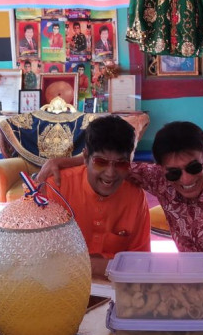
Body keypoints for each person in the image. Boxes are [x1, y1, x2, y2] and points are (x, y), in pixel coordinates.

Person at [38, 121, 203, 294]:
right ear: (161, 169)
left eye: (194, 167)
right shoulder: (160, 179)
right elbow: (112, 163)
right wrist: (62, 161)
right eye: (174, 172)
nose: (186, 179)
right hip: (188, 290)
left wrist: (193, 289)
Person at [44, 115, 151, 277]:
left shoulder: (135, 196)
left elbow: (141, 261)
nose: (110, 173)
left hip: (115, 287)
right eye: (101, 162)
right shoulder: (57, 187)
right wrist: (108, 266)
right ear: (85, 158)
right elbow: (43, 259)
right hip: (62, 283)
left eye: (121, 164)